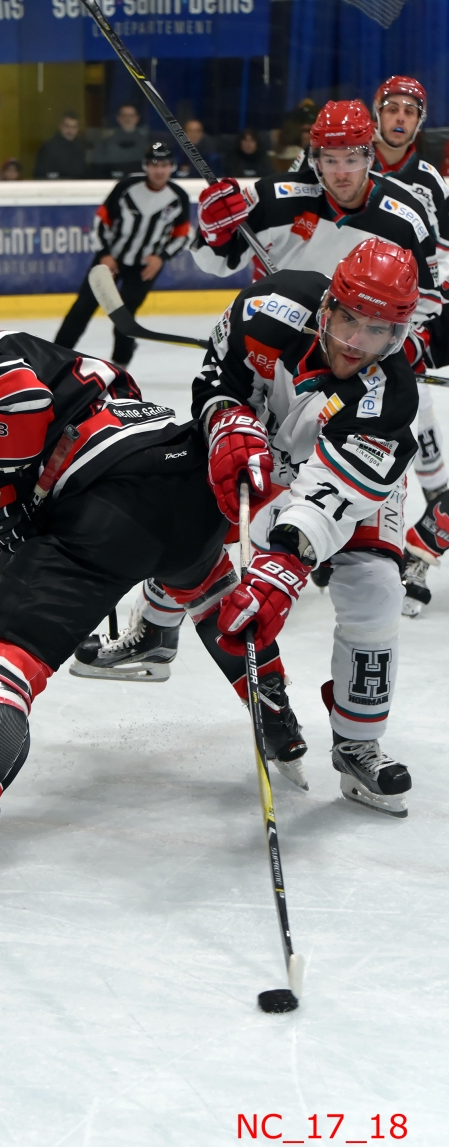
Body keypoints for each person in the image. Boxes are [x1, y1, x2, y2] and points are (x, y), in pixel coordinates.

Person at [0, 289, 307, 905]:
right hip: (187, 481)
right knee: (212, 589)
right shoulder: (41, 352)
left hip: (107, 504)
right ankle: (277, 718)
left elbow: (21, 424)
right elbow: (2, 514)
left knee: (1, 664)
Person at [98, 102, 441, 692]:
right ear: (313, 155)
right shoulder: (275, 197)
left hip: (366, 371)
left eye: (353, 158)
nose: (340, 172)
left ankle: (347, 557)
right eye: (328, 159)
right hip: (277, 364)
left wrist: (408, 349)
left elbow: (431, 298)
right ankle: (157, 626)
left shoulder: (405, 214)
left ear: (371, 154)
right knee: (206, 503)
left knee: (354, 495)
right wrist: (213, 228)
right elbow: (212, 259)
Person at [190, 239, 419, 816]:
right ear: (327, 306)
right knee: (180, 532)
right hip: (264, 457)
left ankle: (358, 744)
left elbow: (332, 496)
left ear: (397, 337)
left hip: (344, 485)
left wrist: (285, 565)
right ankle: (159, 618)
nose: (353, 342)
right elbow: (214, 380)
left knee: (376, 590)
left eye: (376, 332)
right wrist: (226, 419)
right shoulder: (265, 309)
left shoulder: (391, 395)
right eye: (347, 320)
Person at [369, 76, 449, 616]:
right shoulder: (350, 161)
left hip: (408, 315)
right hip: (353, 314)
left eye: (409, 111)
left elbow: (438, 263)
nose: (399, 118)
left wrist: (425, 327)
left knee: (408, 411)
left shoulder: (428, 181)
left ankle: (421, 539)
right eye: (391, 108)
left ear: (419, 122)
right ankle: (349, 534)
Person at [54, 143, 190, 368]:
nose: (159, 170)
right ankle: (55, 355)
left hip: (144, 266)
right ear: (145, 166)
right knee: (83, 307)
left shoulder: (178, 197)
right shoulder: (127, 187)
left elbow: (182, 235)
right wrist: (105, 254)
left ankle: (120, 364)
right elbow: (101, 221)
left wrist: (161, 258)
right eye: (154, 164)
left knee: (124, 318)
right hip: (110, 260)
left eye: (165, 165)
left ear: (172, 167)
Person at [89, 103, 149, 179]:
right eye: (124, 116)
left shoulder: (147, 144)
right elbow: (98, 171)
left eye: (131, 116)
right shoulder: (106, 144)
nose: (128, 119)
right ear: (118, 118)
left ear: (137, 118)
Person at [34, 111, 87, 180]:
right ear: (60, 126)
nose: (70, 130)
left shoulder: (79, 148)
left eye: (74, 127)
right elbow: (41, 174)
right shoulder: (49, 147)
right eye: (67, 126)